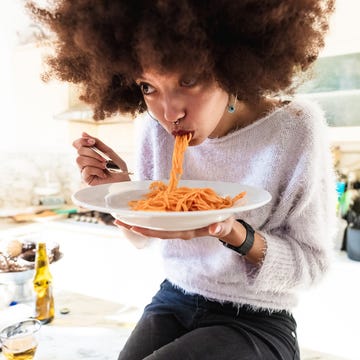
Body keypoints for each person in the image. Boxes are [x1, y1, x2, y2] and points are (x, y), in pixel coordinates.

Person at [27, 1, 337, 359]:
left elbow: (312, 266)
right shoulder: (153, 128)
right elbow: (139, 239)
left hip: (256, 318)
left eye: (188, 80)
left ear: (232, 67)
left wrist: (235, 234)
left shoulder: (294, 130)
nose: (169, 113)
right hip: (174, 298)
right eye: (148, 87)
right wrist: (121, 192)